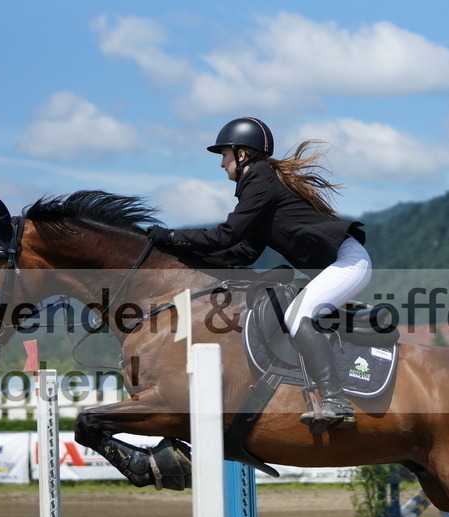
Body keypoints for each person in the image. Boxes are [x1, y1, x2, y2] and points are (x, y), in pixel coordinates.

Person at [148, 117, 372, 429]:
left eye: (224, 155)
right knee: (295, 315)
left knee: (298, 316)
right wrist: (181, 257)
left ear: (243, 154)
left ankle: (335, 400)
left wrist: (173, 237)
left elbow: (227, 234)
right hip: (333, 267)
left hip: (347, 263)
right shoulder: (261, 185)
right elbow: (242, 251)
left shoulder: (260, 178)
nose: (221, 163)